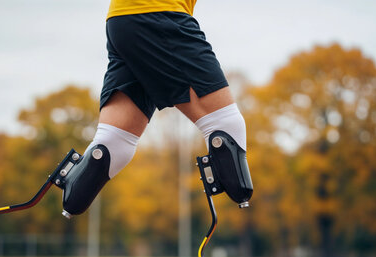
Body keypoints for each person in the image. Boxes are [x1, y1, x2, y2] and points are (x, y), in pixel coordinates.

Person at [61, 0, 253, 218]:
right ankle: (236, 207)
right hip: (158, 14)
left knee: (114, 142)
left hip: (122, 19)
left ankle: (68, 203)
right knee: (225, 125)